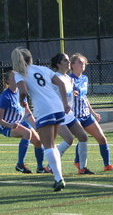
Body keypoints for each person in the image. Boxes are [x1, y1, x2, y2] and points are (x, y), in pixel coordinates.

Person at [12, 47, 71, 191]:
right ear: (30, 58)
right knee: (53, 144)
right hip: (57, 106)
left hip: (44, 109)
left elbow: (23, 91)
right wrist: (65, 103)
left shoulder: (19, 74)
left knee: (48, 146)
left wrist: (21, 100)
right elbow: (61, 83)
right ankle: (57, 177)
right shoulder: (43, 69)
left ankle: (59, 178)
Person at [69, 53, 113, 172]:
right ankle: (79, 164)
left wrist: (93, 112)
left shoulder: (84, 78)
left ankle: (107, 165)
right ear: (72, 65)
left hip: (86, 114)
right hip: (74, 115)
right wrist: (70, 94)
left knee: (102, 138)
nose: (83, 64)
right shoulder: (68, 79)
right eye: (79, 62)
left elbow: (84, 97)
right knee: (82, 138)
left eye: (84, 62)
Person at [50, 52, 94, 175]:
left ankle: (82, 168)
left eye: (68, 60)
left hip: (69, 114)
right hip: (58, 114)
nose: (68, 62)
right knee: (69, 140)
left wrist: (72, 94)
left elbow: (68, 95)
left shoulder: (69, 78)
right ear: (58, 64)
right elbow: (50, 94)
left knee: (83, 137)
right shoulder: (54, 77)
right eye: (65, 60)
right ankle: (50, 165)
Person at [0, 70, 47, 174]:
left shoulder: (20, 93)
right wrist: (10, 125)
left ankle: (40, 168)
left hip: (19, 122)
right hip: (7, 126)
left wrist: (35, 125)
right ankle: (20, 164)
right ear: (8, 81)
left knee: (38, 141)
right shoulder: (5, 96)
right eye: (14, 77)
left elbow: (27, 111)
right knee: (27, 133)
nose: (17, 79)